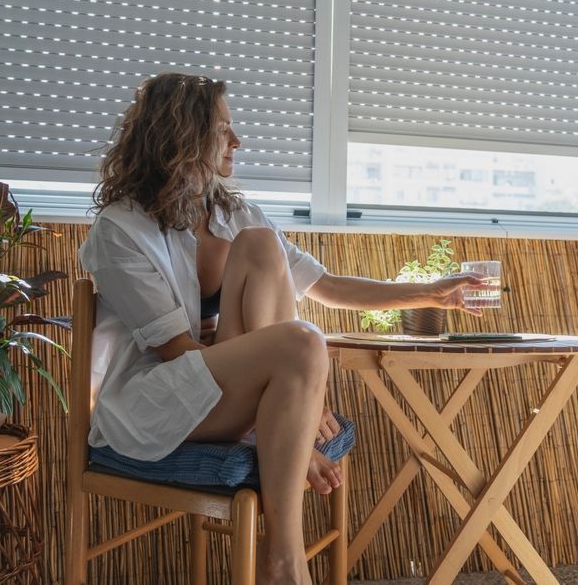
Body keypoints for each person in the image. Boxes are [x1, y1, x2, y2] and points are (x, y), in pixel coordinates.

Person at [79, 73, 482, 585]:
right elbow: (178, 353)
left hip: (224, 389)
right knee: (301, 341)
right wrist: (284, 423)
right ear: (180, 135)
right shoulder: (121, 228)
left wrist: (428, 292)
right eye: (223, 131)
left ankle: (280, 557)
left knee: (262, 248)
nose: (237, 142)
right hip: (158, 403)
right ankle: (286, 563)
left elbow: (329, 286)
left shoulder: (235, 213)